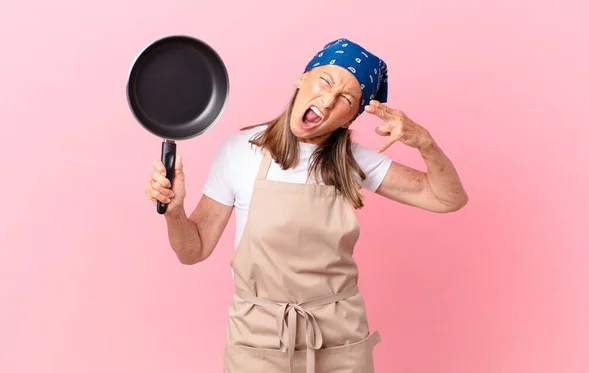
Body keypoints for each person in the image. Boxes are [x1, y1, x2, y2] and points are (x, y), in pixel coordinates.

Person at [144, 38, 468, 373]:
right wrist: (175, 212)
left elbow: (449, 198)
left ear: (349, 119)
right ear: (303, 78)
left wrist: (425, 143)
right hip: (257, 337)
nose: (327, 101)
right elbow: (192, 251)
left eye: (345, 98)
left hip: (338, 337)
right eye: (325, 81)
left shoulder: (353, 161)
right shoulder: (239, 151)